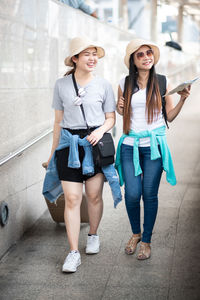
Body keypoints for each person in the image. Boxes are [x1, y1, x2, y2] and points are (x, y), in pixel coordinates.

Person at [115, 38, 190, 260]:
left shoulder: (162, 82)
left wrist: (182, 100)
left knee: (149, 194)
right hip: (130, 146)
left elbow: (170, 117)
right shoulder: (124, 82)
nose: (147, 57)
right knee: (131, 194)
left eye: (149, 53)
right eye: (141, 54)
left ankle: (146, 240)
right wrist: (120, 108)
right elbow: (122, 113)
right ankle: (135, 233)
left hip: (154, 147)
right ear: (132, 60)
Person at [46, 37, 116, 273]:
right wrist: (52, 154)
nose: (92, 58)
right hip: (69, 145)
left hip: (95, 144)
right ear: (75, 59)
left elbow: (111, 118)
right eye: (86, 54)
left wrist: (100, 131)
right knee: (73, 199)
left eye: (94, 53)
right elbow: (57, 122)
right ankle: (73, 252)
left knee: (94, 196)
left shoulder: (104, 85)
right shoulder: (61, 85)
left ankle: (93, 235)